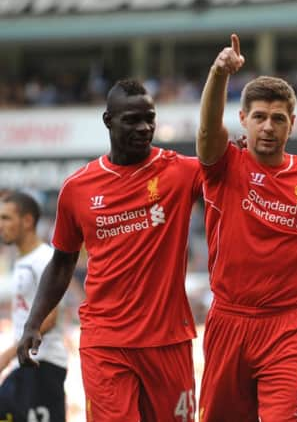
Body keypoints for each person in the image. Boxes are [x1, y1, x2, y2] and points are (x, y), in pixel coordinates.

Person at [16, 79, 203, 422]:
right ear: (108, 121)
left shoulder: (180, 171)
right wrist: (33, 322)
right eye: (132, 119)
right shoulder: (78, 189)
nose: (144, 128)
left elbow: (226, 171)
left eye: (150, 118)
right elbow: (62, 263)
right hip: (106, 342)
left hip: (168, 339)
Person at [195, 34, 297, 421]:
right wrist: (219, 73)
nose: (268, 127)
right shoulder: (224, 164)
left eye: (278, 118)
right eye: (259, 117)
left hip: (288, 329)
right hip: (228, 321)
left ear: (292, 124)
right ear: (242, 119)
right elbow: (205, 133)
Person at [0, 192, 67, 422]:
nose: (1, 225)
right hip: (25, 366)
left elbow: (51, 316)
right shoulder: (22, 261)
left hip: (44, 365)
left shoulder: (44, 259)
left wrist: (7, 356)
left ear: (27, 221)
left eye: (6, 218)